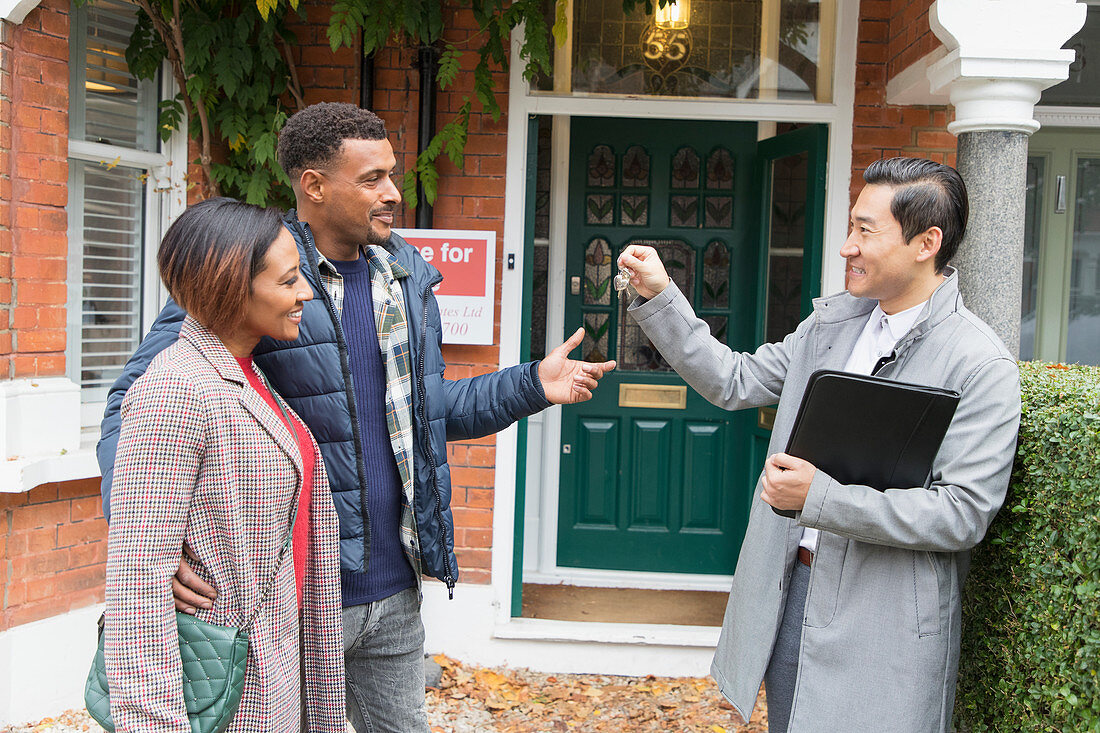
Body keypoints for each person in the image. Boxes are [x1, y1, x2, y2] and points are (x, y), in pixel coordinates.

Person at [97, 103, 616, 732]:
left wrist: (531, 384)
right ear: (313, 185)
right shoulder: (260, 274)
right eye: (372, 179)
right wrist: (160, 539)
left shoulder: (405, 279)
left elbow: (425, 413)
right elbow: (137, 404)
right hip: (295, 591)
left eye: (391, 174)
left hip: (395, 585)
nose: (394, 193)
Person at [618, 158, 1020, 733]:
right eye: (851, 227)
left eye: (865, 231)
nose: (846, 247)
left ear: (926, 243)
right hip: (793, 589)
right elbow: (735, 380)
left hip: (886, 620)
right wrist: (661, 295)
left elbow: (962, 514)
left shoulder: (980, 364)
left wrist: (821, 498)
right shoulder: (831, 326)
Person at [104, 198, 344, 731]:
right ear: (234, 289)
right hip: (225, 693)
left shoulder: (248, 374)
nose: (306, 292)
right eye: (288, 281)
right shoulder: (175, 388)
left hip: (275, 673)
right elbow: (138, 585)